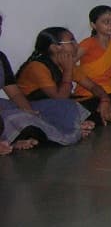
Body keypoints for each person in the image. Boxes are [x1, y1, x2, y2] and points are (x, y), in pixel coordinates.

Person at [0, 14, 92, 151]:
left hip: (6, 105)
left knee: (63, 106)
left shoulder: (0, 58)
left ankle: (34, 134)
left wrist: (30, 111)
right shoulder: (37, 66)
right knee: (14, 118)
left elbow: (14, 94)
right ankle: (18, 139)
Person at [16, 27, 111, 126]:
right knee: (67, 108)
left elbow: (93, 87)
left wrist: (105, 100)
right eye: (71, 42)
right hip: (40, 108)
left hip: (64, 103)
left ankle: (95, 119)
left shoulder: (68, 62)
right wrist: (67, 71)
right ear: (55, 47)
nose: (76, 45)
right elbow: (60, 99)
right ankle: (102, 118)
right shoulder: (37, 67)